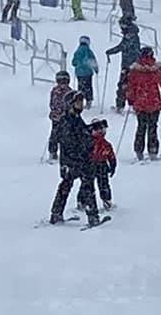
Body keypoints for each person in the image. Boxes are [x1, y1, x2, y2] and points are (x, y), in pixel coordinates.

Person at [49, 94, 102, 224]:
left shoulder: (76, 118)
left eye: (82, 103)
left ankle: (57, 213)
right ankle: (91, 216)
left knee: (78, 185)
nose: (81, 105)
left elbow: (81, 133)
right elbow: (70, 141)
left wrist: (91, 130)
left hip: (78, 160)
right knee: (75, 186)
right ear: (70, 104)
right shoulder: (66, 121)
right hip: (73, 160)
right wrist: (87, 142)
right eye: (78, 103)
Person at [125, 48, 161, 159]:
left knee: (141, 127)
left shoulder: (135, 70)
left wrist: (130, 99)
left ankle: (139, 151)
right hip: (154, 103)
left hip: (140, 103)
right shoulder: (156, 69)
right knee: (153, 127)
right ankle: (153, 150)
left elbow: (131, 86)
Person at [107, 20, 145, 111]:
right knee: (132, 85)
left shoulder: (129, 36)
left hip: (128, 65)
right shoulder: (133, 34)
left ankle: (121, 105)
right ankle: (135, 105)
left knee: (123, 85)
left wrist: (110, 51)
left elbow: (122, 46)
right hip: (134, 64)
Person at [88, 118, 117, 212]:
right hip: (96, 164)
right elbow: (111, 157)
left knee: (91, 184)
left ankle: (83, 202)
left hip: (97, 165)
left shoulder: (104, 144)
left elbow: (111, 157)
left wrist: (113, 166)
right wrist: (113, 166)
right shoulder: (103, 144)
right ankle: (106, 201)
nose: (101, 131)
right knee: (101, 184)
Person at [46, 69, 75, 160]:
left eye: (64, 81)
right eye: (60, 81)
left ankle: (56, 152)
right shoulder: (66, 91)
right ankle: (55, 152)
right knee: (59, 135)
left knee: (59, 135)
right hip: (61, 117)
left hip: (62, 117)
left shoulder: (59, 91)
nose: (62, 84)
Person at [71, 35, 98, 107]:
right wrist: (96, 69)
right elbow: (92, 61)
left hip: (79, 73)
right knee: (88, 86)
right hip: (88, 73)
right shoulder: (89, 51)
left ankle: (80, 101)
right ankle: (89, 101)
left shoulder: (77, 51)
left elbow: (73, 62)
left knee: (81, 87)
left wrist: (77, 64)